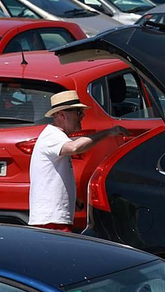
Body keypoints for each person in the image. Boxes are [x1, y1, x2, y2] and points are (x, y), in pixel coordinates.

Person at [29, 90, 127, 231]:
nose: (82, 116)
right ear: (62, 114)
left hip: (53, 218)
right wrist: (108, 132)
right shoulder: (52, 136)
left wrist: (74, 199)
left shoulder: (56, 136)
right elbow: (74, 147)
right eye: (78, 112)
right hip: (51, 220)